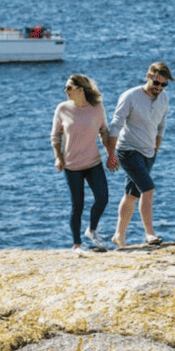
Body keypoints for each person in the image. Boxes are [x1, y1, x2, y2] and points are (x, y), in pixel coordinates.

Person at [108, 62, 173, 248]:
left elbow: (162, 125)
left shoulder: (164, 98)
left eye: (163, 85)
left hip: (148, 152)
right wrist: (111, 154)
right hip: (128, 150)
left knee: (131, 195)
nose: (159, 88)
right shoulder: (131, 96)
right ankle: (150, 234)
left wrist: (155, 150)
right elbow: (116, 124)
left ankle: (118, 236)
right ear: (148, 77)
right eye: (156, 83)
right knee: (148, 189)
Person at [51, 74, 119, 254]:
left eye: (69, 88)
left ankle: (92, 230)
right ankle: (77, 245)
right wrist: (58, 157)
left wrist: (111, 155)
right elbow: (56, 136)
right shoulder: (62, 109)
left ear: (80, 90)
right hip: (72, 165)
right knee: (77, 206)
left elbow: (104, 133)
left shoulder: (96, 108)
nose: (65, 91)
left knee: (102, 198)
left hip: (93, 162)